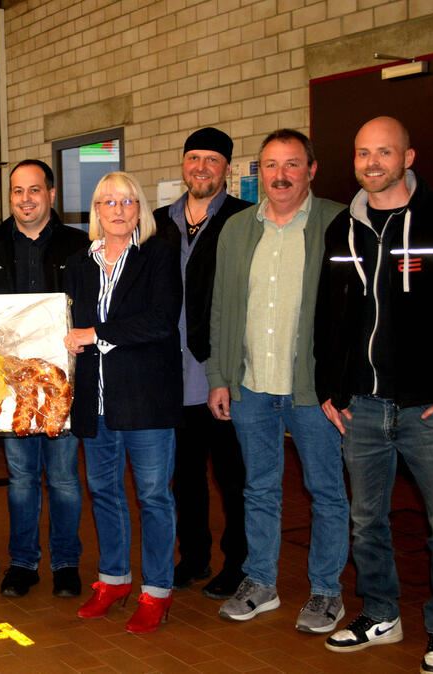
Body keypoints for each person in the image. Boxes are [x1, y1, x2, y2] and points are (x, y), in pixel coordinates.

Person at [316, 116, 433, 673]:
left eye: (384, 152)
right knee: (367, 521)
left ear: (408, 157)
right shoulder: (342, 228)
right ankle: (382, 615)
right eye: (363, 152)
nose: (372, 163)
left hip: (432, 409)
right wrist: (329, 388)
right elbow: (329, 318)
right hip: (361, 408)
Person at [207, 129, 350, 634]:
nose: (281, 175)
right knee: (259, 488)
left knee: (326, 490)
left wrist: (345, 384)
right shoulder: (238, 229)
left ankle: (327, 592)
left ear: (311, 170)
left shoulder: (338, 222)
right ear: (258, 172)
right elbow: (222, 308)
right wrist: (220, 377)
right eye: (271, 165)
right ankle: (261, 582)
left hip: (315, 391)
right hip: (252, 386)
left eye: (292, 164)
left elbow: (355, 312)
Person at [64, 172, 182, 634]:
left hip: (147, 400)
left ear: (139, 210)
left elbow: (161, 321)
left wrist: (96, 335)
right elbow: (64, 318)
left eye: (126, 201)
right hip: (96, 401)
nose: (117, 209)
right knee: (105, 493)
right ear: (96, 211)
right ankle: (113, 580)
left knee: (154, 497)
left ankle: (157, 592)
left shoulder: (158, 255)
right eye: (107, 201)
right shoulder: (80, 262)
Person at [0, 159, 88, 598]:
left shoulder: (79, 245)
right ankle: (23, 563)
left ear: (51, 195)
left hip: (63, 382)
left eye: (34, 190)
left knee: (63, 479)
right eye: (17, 191)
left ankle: (65, 563)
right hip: (11, 383)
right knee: (20, 479)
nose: (25, 199)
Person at [154, 127, 252, 599]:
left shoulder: (244, 219)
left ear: (227, 168)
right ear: (183, 163)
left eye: (212, 160)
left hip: (221, 375)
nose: (201, 168)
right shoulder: (157, 222)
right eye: (194, 158)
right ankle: (193, 556)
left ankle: (239, 563)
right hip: (171, 377)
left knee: (233, 477)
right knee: (185, 477)